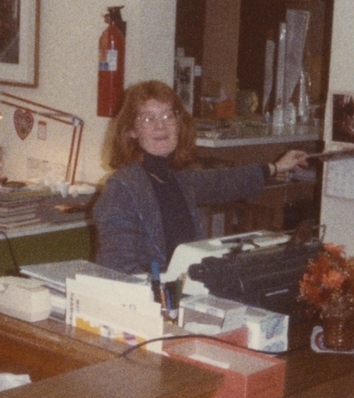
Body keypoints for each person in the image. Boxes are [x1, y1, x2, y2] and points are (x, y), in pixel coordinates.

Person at [93, 80, 309, 275]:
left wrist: (276, 166)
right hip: (146, 303)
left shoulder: (177, 178)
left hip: (181, 292)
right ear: (131, 130)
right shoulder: (122, 188)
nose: (160, 125)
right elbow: (118, 271)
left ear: (179, 123)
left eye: (167, 115)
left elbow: (224, 182)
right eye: (148, 118)